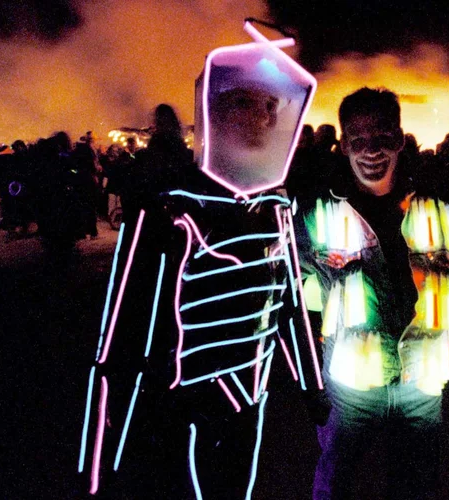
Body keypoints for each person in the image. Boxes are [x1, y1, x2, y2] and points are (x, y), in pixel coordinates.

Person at [76, 22, 322, 499]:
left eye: (272, 105)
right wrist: (100, 461)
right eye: (245, 102)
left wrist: (312, 390)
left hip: (251, 394)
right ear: (213, 110)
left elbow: (288, 305)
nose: (262, 117)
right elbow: (120, 340)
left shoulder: (276, 210)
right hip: (179, 402)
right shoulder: (170, 209)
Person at [294, 87, 449, 499]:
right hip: (351, 386)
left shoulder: (438, 211)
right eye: (358, 140)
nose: (371, 151)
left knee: (416, 486)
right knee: (335, 484)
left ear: (399, 138)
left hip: (423, 386)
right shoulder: (316, 215)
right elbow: (280, 278)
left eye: (382, 138)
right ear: (343, 146)